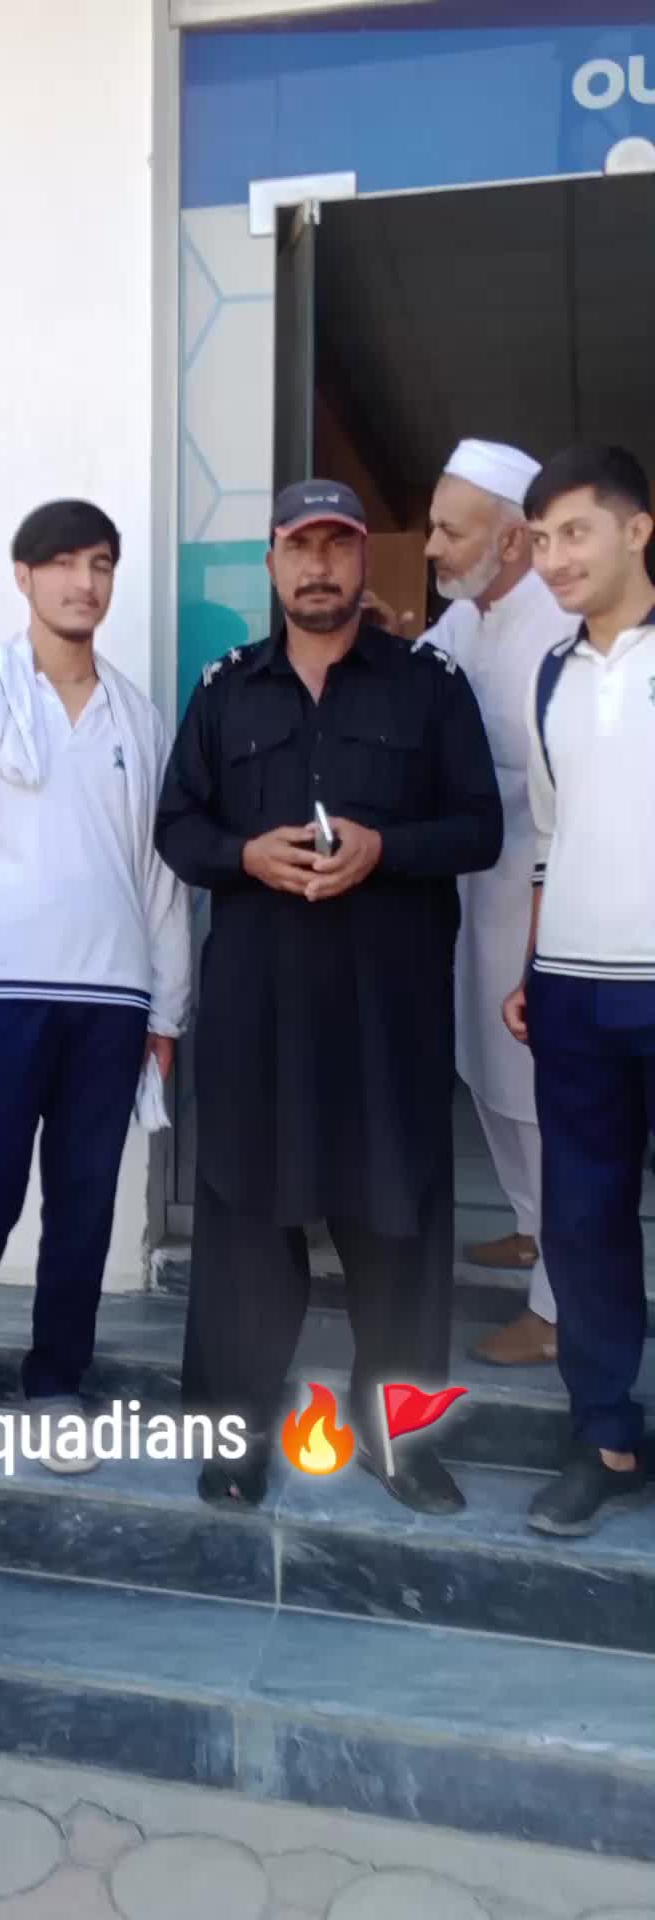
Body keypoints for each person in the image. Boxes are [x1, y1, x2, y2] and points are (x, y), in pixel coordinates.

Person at [156, 479, 503, 1516]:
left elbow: (479, 828)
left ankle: (401, 1444)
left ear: (363, 561)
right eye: (299, 547)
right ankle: (233, 1438)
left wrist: (384, 848)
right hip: (260, 1015)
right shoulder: (226, 693)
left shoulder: (429, 686)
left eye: (337, 546)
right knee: (242, 1231)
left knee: (401, 1233)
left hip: (387, 1016)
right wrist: (244, 855)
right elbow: (178, 827)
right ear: (272, 563)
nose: (318, 566)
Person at [0, 499, 190, 1480]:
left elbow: (160, 875)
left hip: (112, 1004)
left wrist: (167, 1009)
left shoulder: (137, 716)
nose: (83, 583)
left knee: (85, 1206)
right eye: (61, 563)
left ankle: (57, 1387)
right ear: (23, 576)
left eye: (100, 564)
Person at [504, 444, 655, 1536]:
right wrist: (531, 965)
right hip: (572, 993)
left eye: (574, 533)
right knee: (585, 1222)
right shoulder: (548, 676)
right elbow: (549, 842)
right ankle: (605, 1436)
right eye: (541, 538)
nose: (554, 558)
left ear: (636, 530)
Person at [420, 440, 578, 1367]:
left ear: (512, 542)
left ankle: (558, 1309)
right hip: (478, 896)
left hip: (543, 904)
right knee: (486, 1078)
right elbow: (422, 674)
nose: (432, 546)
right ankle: (528, 1229)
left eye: (451, 531)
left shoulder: (559, 628)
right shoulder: (468, 617)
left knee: (544, 1105)